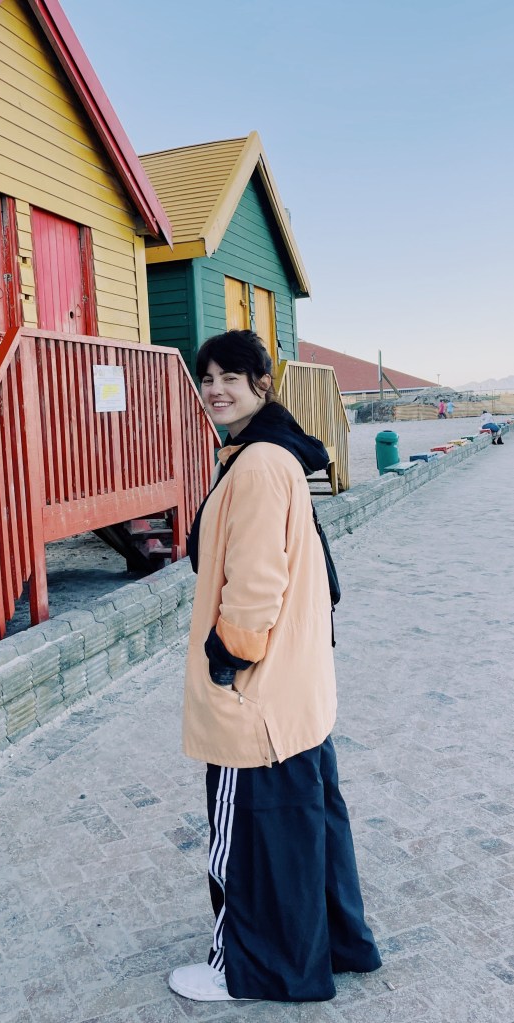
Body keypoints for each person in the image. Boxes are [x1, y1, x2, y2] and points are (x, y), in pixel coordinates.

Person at [169, 330, 381, 1004]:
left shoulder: (258, 463)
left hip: (257, 699)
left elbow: (256, 581)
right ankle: (335, 946)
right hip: (297, 693)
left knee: (249, 842)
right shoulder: (274, 453)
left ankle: (245, 968)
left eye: (232, 375)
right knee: (306, 831)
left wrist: (227, 660)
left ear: (263, 383)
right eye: (206, 377)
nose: (216, 388)